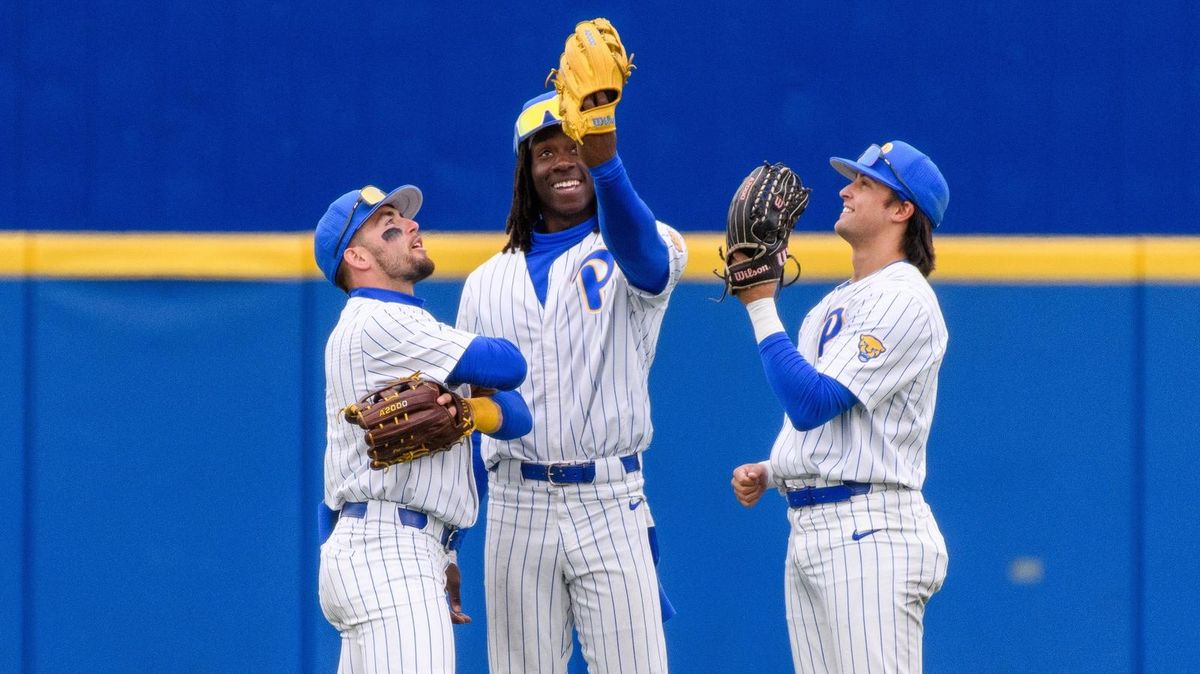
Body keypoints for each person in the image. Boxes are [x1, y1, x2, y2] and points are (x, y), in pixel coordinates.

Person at [455, 88, 687, 674]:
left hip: (610, 499)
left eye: (574, 146)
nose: (562, 160)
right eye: (546, 152)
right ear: (526, 173)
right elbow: (463, 421)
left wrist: (606, 156)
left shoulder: (638, 242)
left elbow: (647, 260)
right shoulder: (484, 282)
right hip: (514, 504)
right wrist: (446, 541)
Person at [729, 141, 951, 673]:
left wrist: (760, 303)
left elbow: (813, 403)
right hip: (812, 529)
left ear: (902, 210)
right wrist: (773, 467)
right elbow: (817, 421)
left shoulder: (904, 297)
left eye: (865, 183)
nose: (845, 190)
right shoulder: (832, 304)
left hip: (871, 531)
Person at [313, 184, 533, 674]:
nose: (411, 226)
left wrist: (473, 413)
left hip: (381, 546)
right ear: (356, 256)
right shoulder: (383, 321)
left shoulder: (387, 327)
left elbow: (519, 417)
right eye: (388, 226)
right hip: (391, 557)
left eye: (407, 220)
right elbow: (509, 365)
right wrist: (479, 400)